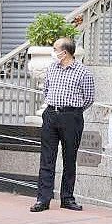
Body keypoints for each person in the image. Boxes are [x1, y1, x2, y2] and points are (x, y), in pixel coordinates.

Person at [30, 37, 95, 212]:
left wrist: (73, 111)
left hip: (71, 116)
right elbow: (46, 91)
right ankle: (43, 199)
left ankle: (67, 198)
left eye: (55, 49)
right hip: (51, 114)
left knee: (69, 158)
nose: (53, 52)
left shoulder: (83, 72)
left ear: (64, 52)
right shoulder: (51, 68)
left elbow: (89, 98)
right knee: (47, 158)